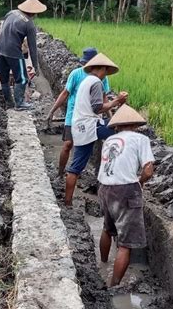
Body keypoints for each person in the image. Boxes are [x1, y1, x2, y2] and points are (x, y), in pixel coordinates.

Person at [98, 104, 155, 287]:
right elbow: (148, 169)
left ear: (117, 126)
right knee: (125, 243)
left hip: (105, 187)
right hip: (125, 189)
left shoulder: (109, 140)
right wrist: (141, 181)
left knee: (107, 228)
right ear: (135, 125)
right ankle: (113, 286)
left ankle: (102, 264)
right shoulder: (141, 139)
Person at [65, 53, 128, 206]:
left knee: (76, 167)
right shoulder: (96, 83)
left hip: (80, 127)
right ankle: (119, 171)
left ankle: (67, 203)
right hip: (90, 126)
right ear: (104, 69)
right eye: (106, 71)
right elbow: (97, 108)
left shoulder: (87, 81)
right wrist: (117, 101)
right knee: (123, 131)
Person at [46, 47, 111, 176]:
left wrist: (111, 117)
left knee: (93, 148)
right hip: (73, 114)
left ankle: (86, 172)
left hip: (92, 118)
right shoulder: (76, 74)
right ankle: (60, 172)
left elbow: (104, 98)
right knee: (68, 144)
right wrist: (52, 110)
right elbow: (65, 93)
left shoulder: (102, 78)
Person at [0, 0, 46, 111]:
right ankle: (20, 103)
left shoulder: (11, 13)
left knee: (4, 78)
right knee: (22, 78)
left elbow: (5, 30)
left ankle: (9, 103)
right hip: (13, 51)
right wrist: (36, 66)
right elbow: (32, 47)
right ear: (34, 12)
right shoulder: (29, 24)